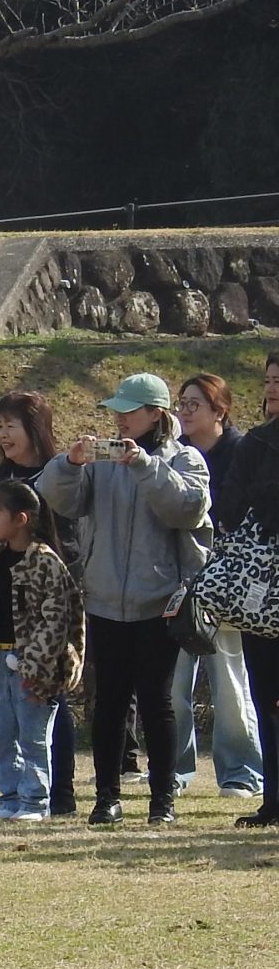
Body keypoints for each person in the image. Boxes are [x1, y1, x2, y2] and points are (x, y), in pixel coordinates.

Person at [37, 373, 213, 827]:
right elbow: (59, 499)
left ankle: (163, 799)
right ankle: (106, 798)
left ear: (156, 413)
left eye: (129, 411)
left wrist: (144, 465)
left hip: (161, 601)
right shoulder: (102, 461)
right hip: (104, 599)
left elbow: (187, 509)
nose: (119, 419)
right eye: (116, 411)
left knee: (157, 701)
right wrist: (70, 464)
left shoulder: (184, 458)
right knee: (109, 702)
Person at [0, 390, 80, 817]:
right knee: (5, 727)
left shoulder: (59, 475)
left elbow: (70, 538)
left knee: (42, 722)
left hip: (39, 637)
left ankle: (52, 795)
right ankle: (11, 796)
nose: (2, 435)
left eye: (9, 426)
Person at [171, 373, 264, 800]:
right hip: (178, 582)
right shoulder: (173, 455)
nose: (185, 412)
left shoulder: (242, 452)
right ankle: (173, 769)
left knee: (229, 683)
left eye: (194, 404)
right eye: (181, 404)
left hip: (228, 582)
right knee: (173, 685)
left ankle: (241, 772)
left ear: (219, 411)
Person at [220, 350, 279, 828]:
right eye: (270, 380)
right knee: (266, 694)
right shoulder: (256, 443)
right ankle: (273, 798)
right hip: (262, 588)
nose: (273, 388)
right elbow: (229, 508)